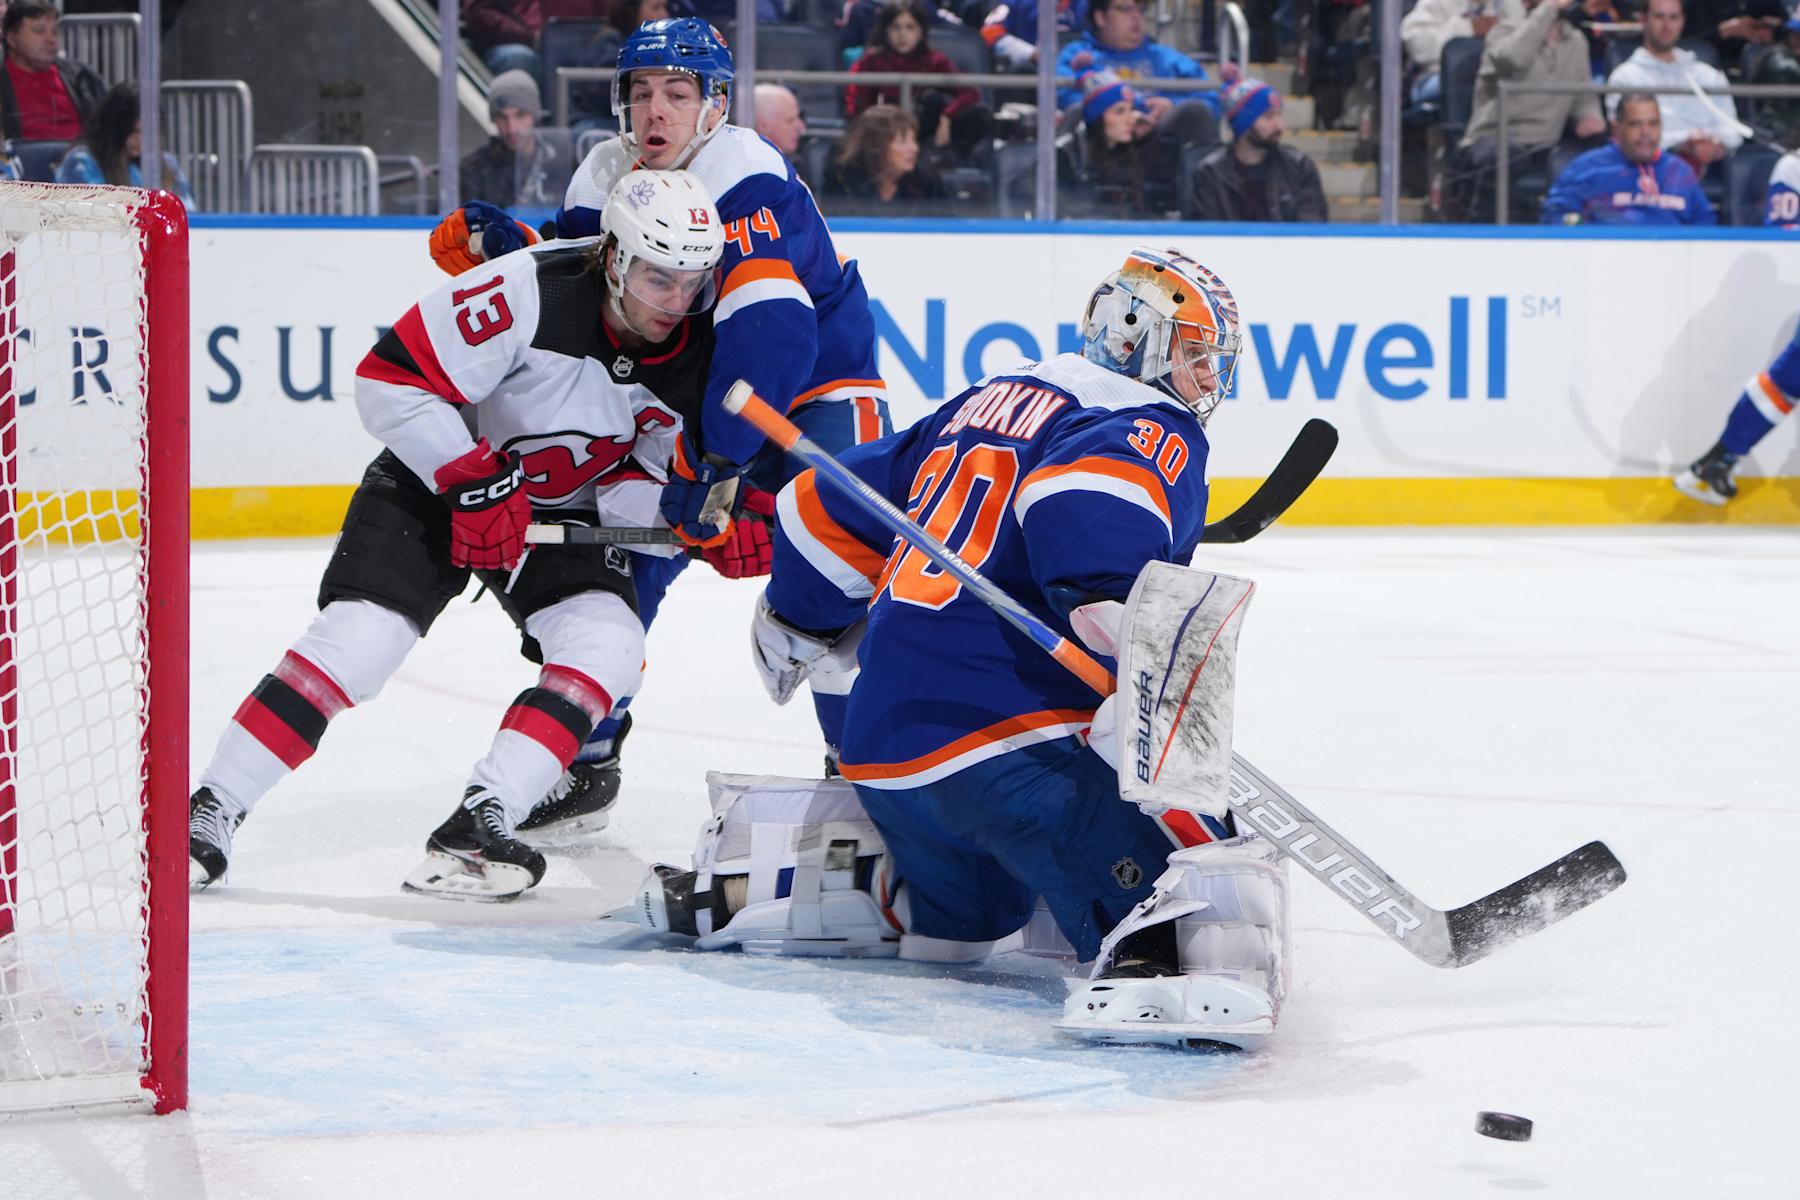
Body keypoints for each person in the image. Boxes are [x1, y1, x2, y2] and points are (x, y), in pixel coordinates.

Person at [630, 248, 1290, 1050]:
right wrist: (1131, 658)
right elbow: (1080, 513)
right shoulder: (1147, 425)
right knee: (1197, 899)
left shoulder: (990, 399)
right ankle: (1159, 963)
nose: (1201, 379)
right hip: (1006, 748)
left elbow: (821, 504)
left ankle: (852, 885)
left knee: (980, 919)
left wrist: (797, 617)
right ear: (1136, 340)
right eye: (1191, 355)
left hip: (883, 754)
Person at [186, 169, 725, 900]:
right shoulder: (528, 289)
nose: (679, 301)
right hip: (437, 487)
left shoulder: (698, 347)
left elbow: (634, 481)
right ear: (617, 259)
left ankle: (481, 821)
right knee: (360, 644)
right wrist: (472, 480)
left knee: (611, 645)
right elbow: (388, 379)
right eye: (662, 279)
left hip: (555, 515)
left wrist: (691, 524)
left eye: (694, 281)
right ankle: (209, 809)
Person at [426, 18, 890, 814]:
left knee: (839, 565)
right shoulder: (604, 172)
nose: (656, 112)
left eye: (678, 93)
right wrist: (521, 251)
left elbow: (771, 339)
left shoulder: (746, 172)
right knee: (615, 578)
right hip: (697, 392)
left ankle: (864, 769)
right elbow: (585, 299)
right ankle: (590, 754)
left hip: (815, 389)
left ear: (714, 106)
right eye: (641, 93)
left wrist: (716, 469)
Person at [1448, 0, 1605, 222]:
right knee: (1504, 155)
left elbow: (1583, 95)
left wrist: (1591, 117)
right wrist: (1548, 10)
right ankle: (1482, 235)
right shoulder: (1504, 32)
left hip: (1546, 144)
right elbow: (1514, 58)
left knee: (1588, 162)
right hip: (1495, 139)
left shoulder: (1576, 41)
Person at [1056, 0, 1221, 145]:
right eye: (1125, 9)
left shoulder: (1166, 57)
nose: (1136, 16)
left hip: (1159, 143)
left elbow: (1211, 100)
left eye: (1140, 9)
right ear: (1100, 17)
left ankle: (1200, 180)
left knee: (1196, 111)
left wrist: (1172, 105)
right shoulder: (1077, 54)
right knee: (1078, 111)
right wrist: (1122, 112)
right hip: (1102, 142)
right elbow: (1065, 97)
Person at [846, 0, 993, 163]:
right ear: (885, 30)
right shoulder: (871, 62)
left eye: (910, 27)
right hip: (886, 132)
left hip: (925, 131)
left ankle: (942, 159)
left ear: (921, 31)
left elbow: (970, 92)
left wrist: (947, 116)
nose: (903, 35)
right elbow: (857, 104)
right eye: (896, 27)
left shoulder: (933, 60)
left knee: (973, 112)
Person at [1606, 0, 1743, 175]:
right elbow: (1624, 137)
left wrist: (1716, 144)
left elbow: (1733, 130)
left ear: (1682, 21)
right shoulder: (1624, 77)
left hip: (1713, 167)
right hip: (1650, 170)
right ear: (1643, 20)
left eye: (1673, 17)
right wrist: (1684, 144)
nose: (1666, 25)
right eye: (1659, 17)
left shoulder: (1707, 74)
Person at [1540, 93, 1714, 224]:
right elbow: (1556, 218)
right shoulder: (1586, 169)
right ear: (1617, 129)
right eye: (1635, 124)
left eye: (1653, 124)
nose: (1646, 132)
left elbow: (1706, 226)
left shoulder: (1679, 171)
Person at [1186, 76, 1328, 222]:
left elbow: (1312, 229)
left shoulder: (1299, 166)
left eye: (1279, 115)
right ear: (1244, 123)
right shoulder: (1210, 173)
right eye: (1268, 117)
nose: (1280, 126)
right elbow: (1208, 235)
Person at [51, 82, 198, 209]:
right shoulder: (82, 163)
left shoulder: (167, 164)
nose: (141, 140)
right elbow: (92, 219)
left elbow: (187, 213)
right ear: (114, 128)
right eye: (135, 131)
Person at [1062, 69, 1180, 218]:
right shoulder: (1066, 155)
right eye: (1119, 112)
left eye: (1131, 110)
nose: (1130, 120)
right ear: (1097, 118)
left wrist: (1149, 142)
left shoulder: (1136, 149)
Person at [459, 70, 573, 211]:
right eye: (502, 117)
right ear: (493, 119)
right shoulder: (472, 169)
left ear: (534, 116)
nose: (511, 128)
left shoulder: (564, 163)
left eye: (520, 115)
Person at [0, 1, 103, 143]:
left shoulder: (83, 78)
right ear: (11, 38)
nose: (51, 40)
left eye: (55, 32)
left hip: (80, 159)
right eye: (38, 31)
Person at [824, 105, 951, 212]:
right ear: (876, 145)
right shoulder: (843, 182)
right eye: (902, 141)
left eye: (913, 140)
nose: (914, 148)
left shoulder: (927, 183)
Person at [1399, 0, 1518, 105]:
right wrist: (1469, 28)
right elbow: (1419, 47)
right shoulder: (1435, 3)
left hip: (1498, 75)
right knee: (1474, 83)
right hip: (1438, 74)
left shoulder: (1510, 5)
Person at [752, 82, 807, 162]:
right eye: (790, 120)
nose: (801, 127)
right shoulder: (744, 169)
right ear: (763, 126)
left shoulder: (796, 164)